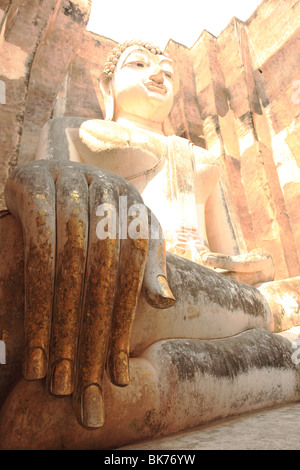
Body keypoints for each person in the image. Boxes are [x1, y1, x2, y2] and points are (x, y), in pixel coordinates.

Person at [1, 40, 300, 438]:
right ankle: (270, 362)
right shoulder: (73, 129)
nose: (157, 75)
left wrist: (246, 263)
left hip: (209, 287)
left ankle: (156, 387)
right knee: (86, 272)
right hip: (116, 263)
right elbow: (59, 217)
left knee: (279, 300)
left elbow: (239, 259)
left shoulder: (202, 160)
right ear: (106, 88)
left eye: (168, 72)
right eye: (138, 64)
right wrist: (53, 181)